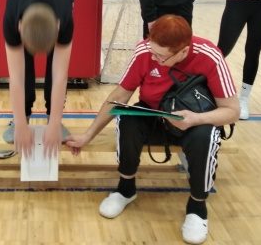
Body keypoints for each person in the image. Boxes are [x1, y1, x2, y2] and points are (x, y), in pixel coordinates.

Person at [66, 15, 238, 244]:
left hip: (193, 121)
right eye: (152, 51)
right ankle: (126, 189)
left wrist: (196, 119)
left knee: (206, 135)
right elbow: (119, 96)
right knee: (127, 118)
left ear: (183, 52)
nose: (154, 58)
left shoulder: (210, 56)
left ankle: (197, 207)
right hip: (155, 115)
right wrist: (88, 135)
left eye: (161, 56)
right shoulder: (145, 51)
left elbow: (232, 111)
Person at [2, 0, 75, 157]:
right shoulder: (11, 19)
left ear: (58, 27)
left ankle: (53, 115)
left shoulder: (65, 18)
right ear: (19, 27)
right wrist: (20, 125)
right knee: (22, 64)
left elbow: (60, 76)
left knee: (56, 65)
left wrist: (54, 124)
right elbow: (16, 77)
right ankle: (22, 115)